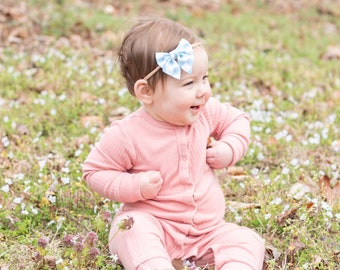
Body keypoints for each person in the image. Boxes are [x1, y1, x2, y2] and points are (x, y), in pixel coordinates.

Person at [83, 16, 265, 270]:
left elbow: (237, 121)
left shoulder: (206, 111)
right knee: (132, 231)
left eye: (205, 78)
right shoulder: (127, 134)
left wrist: (229, 148)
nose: (203, 90)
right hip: (154, 223)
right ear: (146, 92)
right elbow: (94, 171)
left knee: (247, 241)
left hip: (207, 231)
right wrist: (135, 185)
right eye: (189, 83)